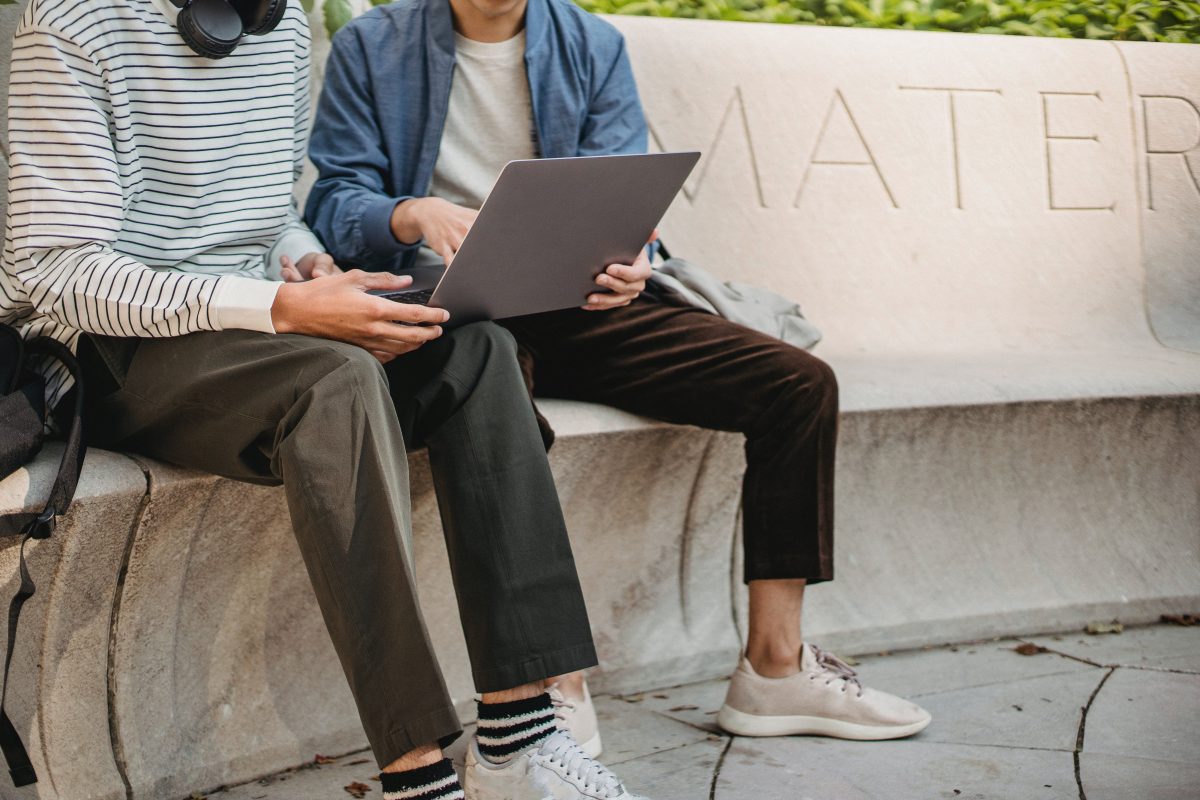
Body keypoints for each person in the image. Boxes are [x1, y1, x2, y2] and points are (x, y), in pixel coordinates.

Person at [0, 1, 655, 798]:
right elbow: (54, 269)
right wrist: (281, 311)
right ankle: (415, 774)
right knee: (338, 383)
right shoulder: (71, 24)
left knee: (478, 348)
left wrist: (308, 268)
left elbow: (267, 214)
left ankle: (518, 737)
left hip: (249, 320)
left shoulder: (280, 24)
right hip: (107, 350)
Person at [305, 0, 933, 754]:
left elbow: (629, 196)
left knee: (798, 385)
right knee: (494, 399)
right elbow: (335, 202)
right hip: (456, 311)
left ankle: (775, 666)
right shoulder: (374, 45)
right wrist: (415, 214)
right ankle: (553, 683)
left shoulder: (591, 42)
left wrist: (636, 262)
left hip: (577, 300)